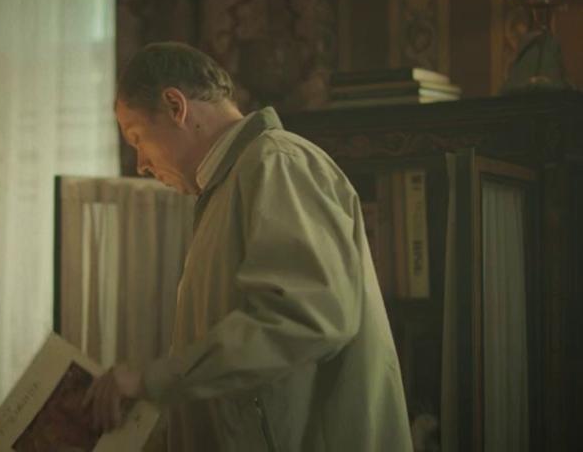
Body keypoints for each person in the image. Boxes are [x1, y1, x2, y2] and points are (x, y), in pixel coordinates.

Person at [82, 42, 412, 451]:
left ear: (175, 106)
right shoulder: (233, 184)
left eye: (137, 139)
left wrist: (150, 381)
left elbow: (307, 317)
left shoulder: (277, 162)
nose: (141, 164)